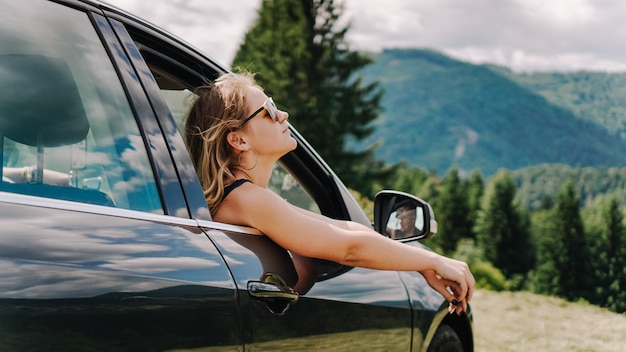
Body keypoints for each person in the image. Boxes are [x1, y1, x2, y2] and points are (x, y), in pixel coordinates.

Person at [184, 71, 474, 314]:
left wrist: (421, 265)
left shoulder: (245, 196)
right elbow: (349, 248)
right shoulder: (246, 200)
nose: (283, 114)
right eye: (269, 111)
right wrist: (433, 261)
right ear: (238, 140)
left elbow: (344, 228)